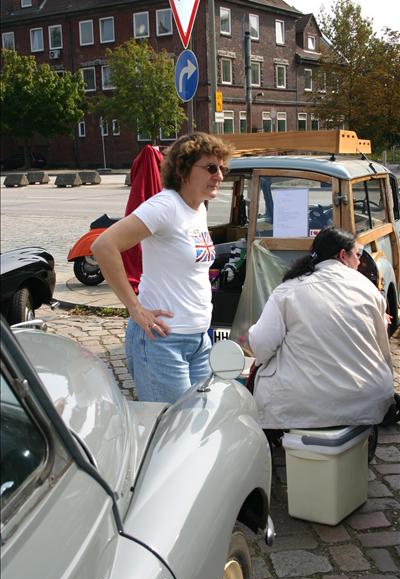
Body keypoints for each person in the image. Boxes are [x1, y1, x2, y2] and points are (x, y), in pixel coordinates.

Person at [92, 132, 232, 404]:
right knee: (168, 424)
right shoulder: (165, 206)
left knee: (197, 419)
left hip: (199, 339)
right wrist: (135, 308)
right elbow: (103, 246)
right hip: (164, 342)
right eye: (211, 168)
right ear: (182, 169)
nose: (219, 176)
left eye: (222, 168)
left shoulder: (199, 209)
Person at [248, 226, 394, 429]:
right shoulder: (369, 289)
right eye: (357, 255)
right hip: (367, 401)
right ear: (343, 255)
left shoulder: (287, 291)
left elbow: (261, 345)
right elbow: (381, 343)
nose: (359, 261)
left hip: (300, 405)